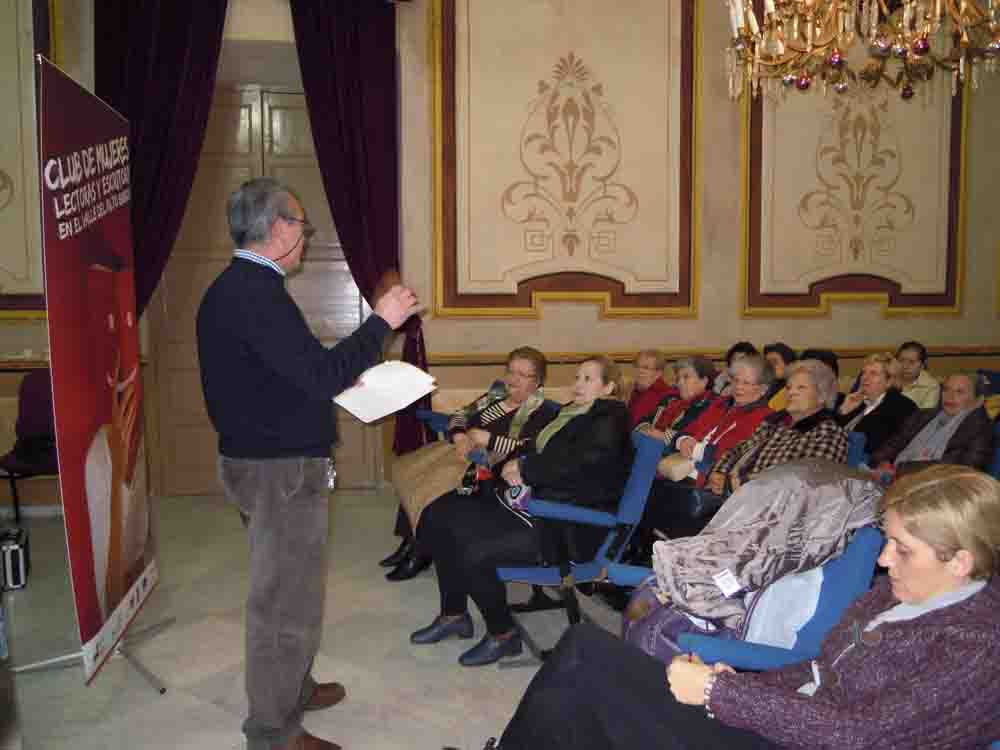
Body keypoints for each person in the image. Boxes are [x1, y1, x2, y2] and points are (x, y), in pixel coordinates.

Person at [486, 464, 1000, 750]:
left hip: (808, 742)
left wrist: (719, 690)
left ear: (961, 562)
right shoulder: (900, 592)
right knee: (583, 652)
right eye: (888, 541)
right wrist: (741, 680)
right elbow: (820, 668)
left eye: (902, 549)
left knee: (596, 693)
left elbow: (858, 734)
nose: (884, 560)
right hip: (788, 722)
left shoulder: (976, 646)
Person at [196, 177, 420, 750]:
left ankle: (291, 686)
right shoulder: (255, 293)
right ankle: (273, 729)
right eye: (300, 223)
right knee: (284, 601)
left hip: (264, 462)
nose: (306, 234)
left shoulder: (237, 287)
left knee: (286, 588)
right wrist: (381, 322)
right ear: (276, 231)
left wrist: (340, 373)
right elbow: (319, 375)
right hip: (279, 471)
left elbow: (289, 377)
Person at [409, 356, 631, 667]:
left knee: (473, 549)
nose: (577, 384)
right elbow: (538, 448)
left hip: (566, 523)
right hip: (537, 503)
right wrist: (516, 463)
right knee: (440, 516)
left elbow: (581, 464)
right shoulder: (574, 412)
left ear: (608, 387)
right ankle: (454, 614)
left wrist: (527, 469)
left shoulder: (610, 417)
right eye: (577, 377)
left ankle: (503, 635)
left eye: (587, 379)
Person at [382, 347, 558, 580]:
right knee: (415, 474)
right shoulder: (495, 397)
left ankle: (420, 550)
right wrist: (459, 436)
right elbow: (460, 415)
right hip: (461, 451)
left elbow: (531, 448)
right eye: (510, 371)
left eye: (523, 375)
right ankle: (410, 541)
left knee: (433, 482)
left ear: (538, 381)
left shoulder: (545, 412)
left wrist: (489, 439)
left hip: (490, 469)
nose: (513, 379)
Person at [638, 354, 774, 543]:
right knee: (642, 486)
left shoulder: (764, 418)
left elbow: (727, 454)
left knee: (651, 494)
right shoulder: (721, 404)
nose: (738, 387)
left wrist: (694, 449)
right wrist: (684, 440)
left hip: (710, 483)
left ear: (762, 389)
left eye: (746, 383)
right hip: (684, 471)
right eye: (735, 380)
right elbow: (685, 433)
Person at [707, 359, 848, 498]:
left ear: (822, 396)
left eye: (801, 387)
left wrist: (739, 483)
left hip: (781, 510)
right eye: (789, 387)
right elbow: (738, 448)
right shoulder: (777, 422)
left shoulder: (828, 431)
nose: (791, 392)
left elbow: (803, 480)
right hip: (744, 497)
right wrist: (719, 471)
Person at [871, 372, 995, 481]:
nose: (950, 396)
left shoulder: (982, 430)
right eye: (946, 389)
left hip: (937, 490)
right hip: (891, 477)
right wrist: (882, 461)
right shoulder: (924, 415)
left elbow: (958, 468)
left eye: (959, 392)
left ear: (978, 401)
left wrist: (898, 470)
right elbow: (896, 442)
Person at [835, 352, 916, 455]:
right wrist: (843, 411)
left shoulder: (900, 407)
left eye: (873, 373)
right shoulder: (858, 401)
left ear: (889, 381)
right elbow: (830, 435)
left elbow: (871, 447)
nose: (865, 377)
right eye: (864, 372)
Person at [635, 357, 717, 447]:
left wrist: (662, 436)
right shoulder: (671, 399)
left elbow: (693, 436)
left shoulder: (712, 404)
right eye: (678, 378)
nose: (680, 383)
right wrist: (647, 429)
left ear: (704, 381)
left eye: (686, 377)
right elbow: (644, 421)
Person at [626, 349, 676, 427]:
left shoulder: (667, 396)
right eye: (637, 366)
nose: (640, 371)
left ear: (658, 373)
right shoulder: (636, 390)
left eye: (645, 368)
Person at [896, 340, 940, 409]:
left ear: (922, 365)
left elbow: (924, 416)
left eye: (911, 362)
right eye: (901, 360)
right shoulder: (889, 379)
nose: (905, 366)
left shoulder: (931, 386)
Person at [761, 342, 796, 410]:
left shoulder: (793, 389)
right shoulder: (767, 386)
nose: (771, 366)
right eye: (768, 363)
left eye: (775, 362)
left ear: (789, 364)